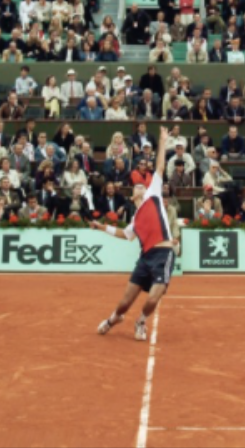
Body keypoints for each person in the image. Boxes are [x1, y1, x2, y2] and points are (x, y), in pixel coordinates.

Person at [92, 128, 178, 343]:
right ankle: (113, 319)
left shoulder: (153, 195)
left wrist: (162, 141)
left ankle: (141, 321)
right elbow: (124, 234)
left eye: (142, 185)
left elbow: (159, 167)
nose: (140, 187)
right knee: (124, 303)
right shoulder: (135, 219)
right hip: (145, 258)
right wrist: (102, 227)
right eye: (137, 186)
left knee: (153, 298)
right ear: (132, 196)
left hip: (164, 254)